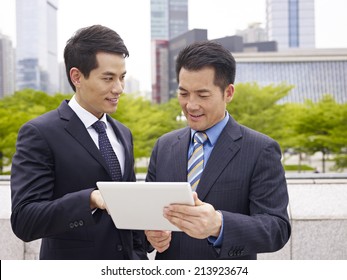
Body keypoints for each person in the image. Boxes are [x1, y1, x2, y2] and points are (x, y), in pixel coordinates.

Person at [10, 25, 147, 260]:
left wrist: (144, 244)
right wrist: (90, 199)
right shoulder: (39, 133)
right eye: (108, 78)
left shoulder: (123, 134)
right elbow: (25, 220)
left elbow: (128, 212)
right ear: (77, 77)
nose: (119, 88)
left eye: (122, 77)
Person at [145, 41, 291, 260]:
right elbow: (148, 212)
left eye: (203, 95)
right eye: (184, 93)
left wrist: (219, 225)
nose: (191, 105)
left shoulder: (261, 149)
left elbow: (276, 228)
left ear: (228, 93)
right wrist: (150, 234)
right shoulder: (164, 146)